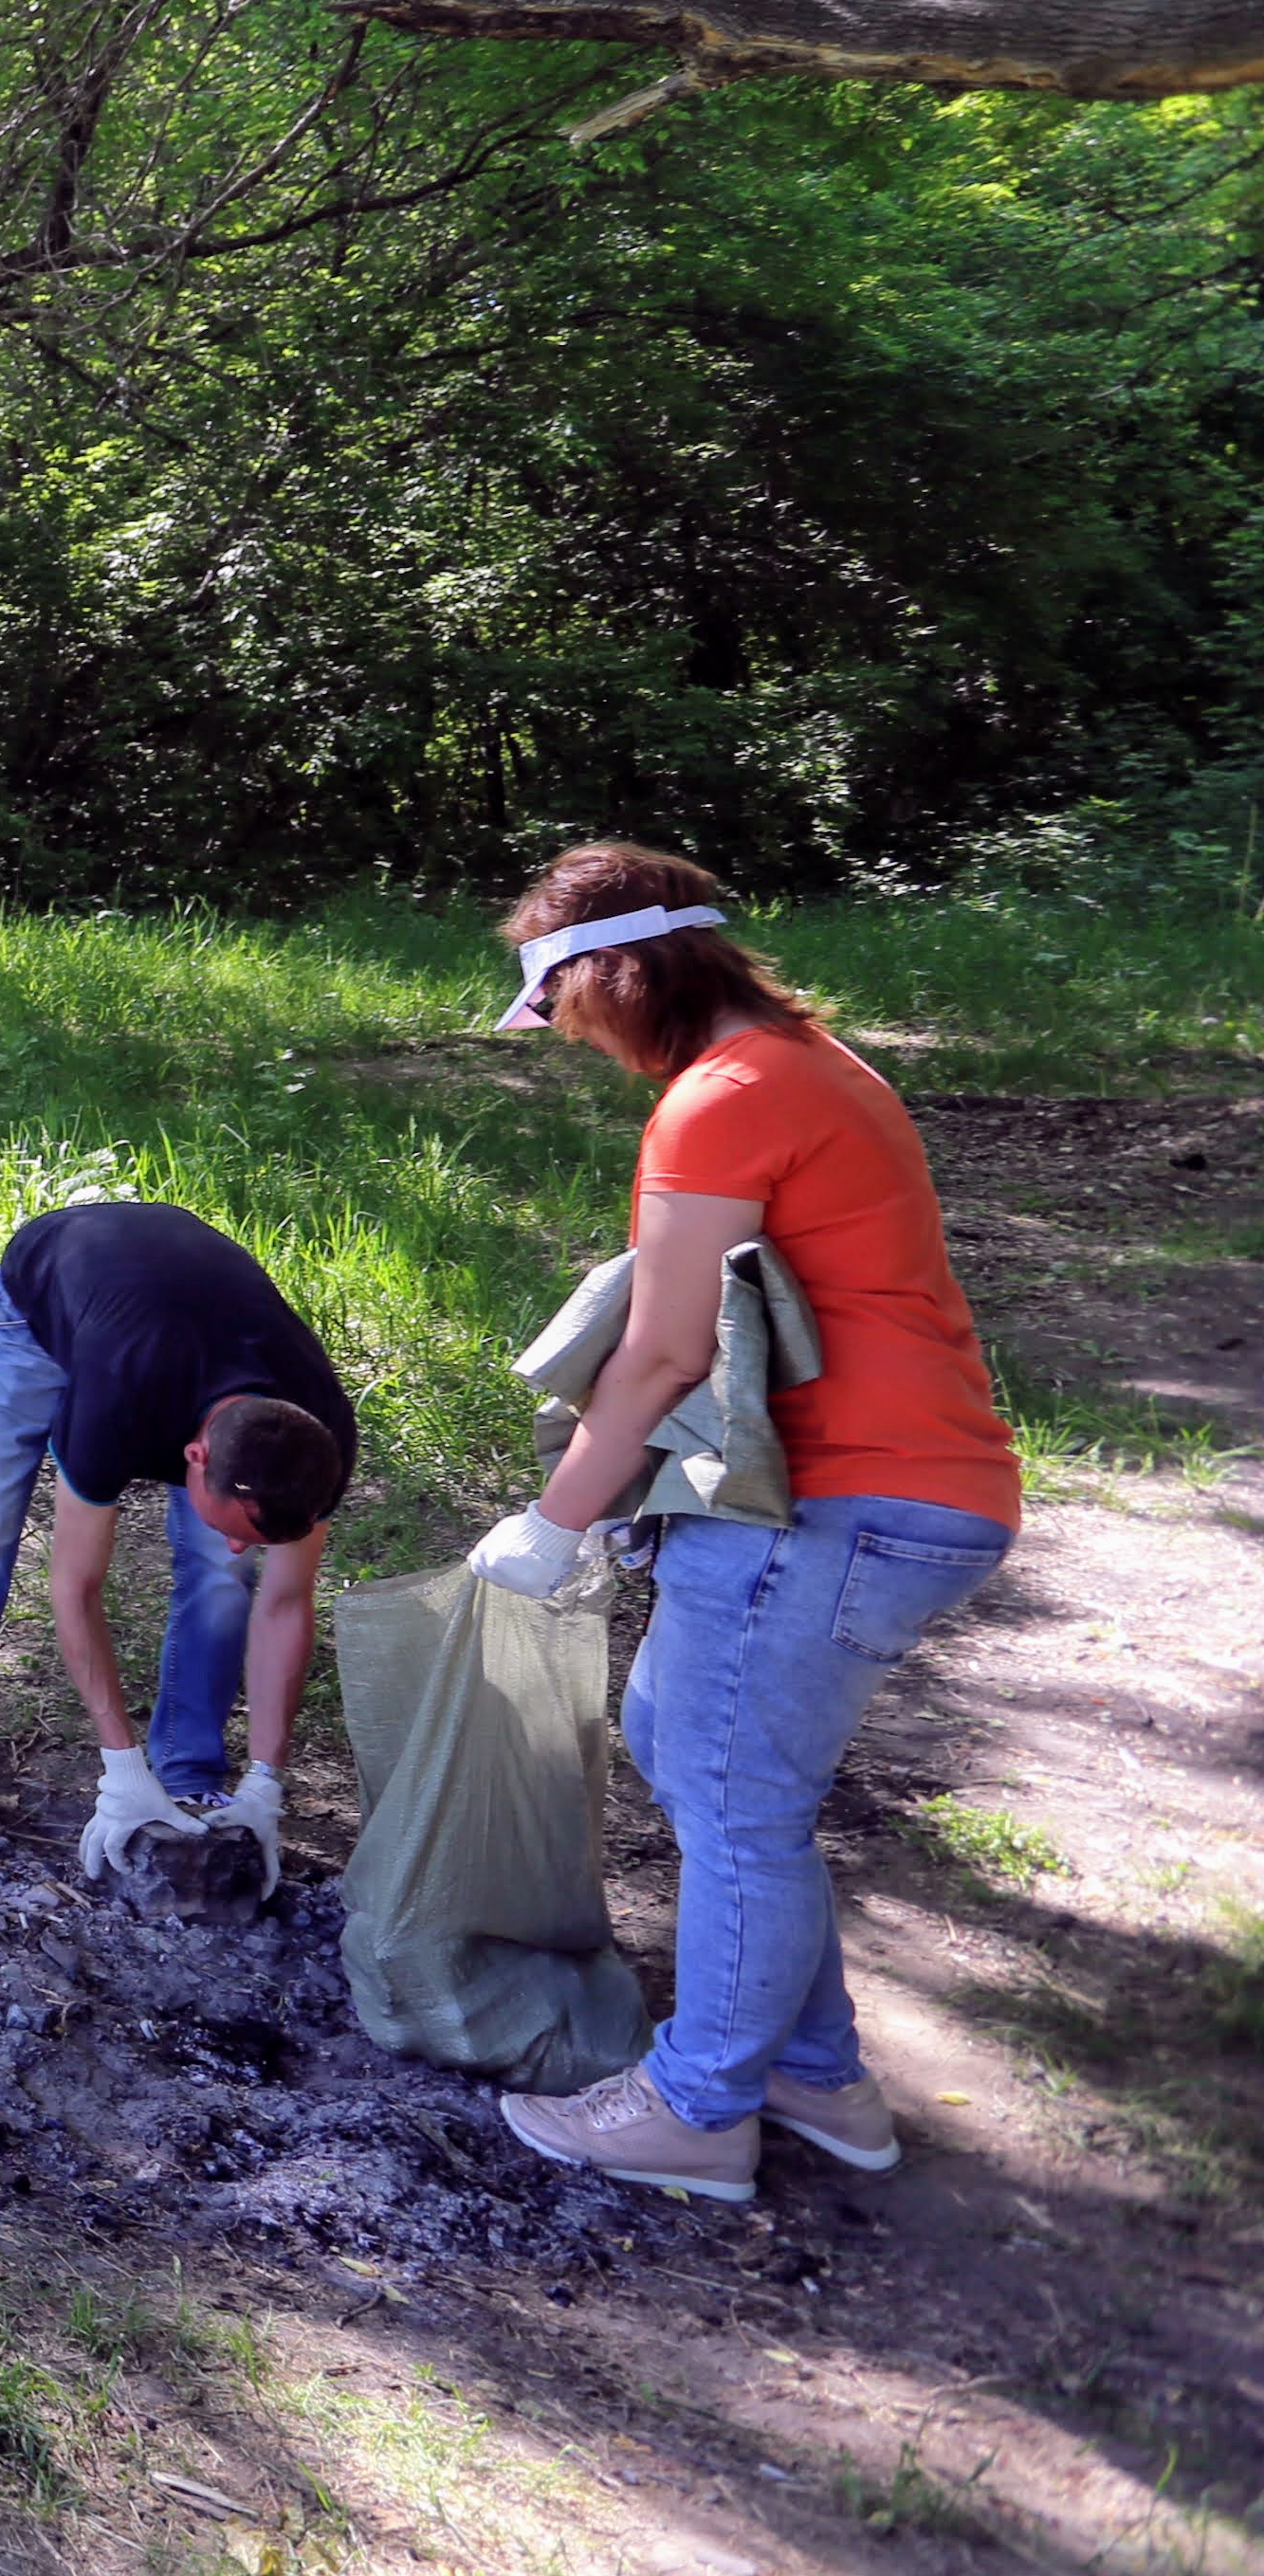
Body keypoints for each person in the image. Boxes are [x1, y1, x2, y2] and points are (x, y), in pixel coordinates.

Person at [482, 845, 1017, 2203]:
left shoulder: (721, 1097)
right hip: (902, 1488)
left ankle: (696, 2109)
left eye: (559, 1001)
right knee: (683, 1743)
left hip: (838, 1498)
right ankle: (812, 2071)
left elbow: (663, 1350)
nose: (567, 1034)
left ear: (616, 968)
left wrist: (555, 1519)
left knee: (733, 1803)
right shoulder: (806, 1066)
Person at [0, 1198, 355, 1891]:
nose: (240, 1547)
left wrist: (268, 1782)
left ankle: (191, 1774)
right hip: (46, 1297)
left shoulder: (318, 1442)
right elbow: (76, 1587)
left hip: (181, 1309)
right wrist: (120, 1768)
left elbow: (285, 1603)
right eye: (237, 1528)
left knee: (221, 1579)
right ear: (193, 1456)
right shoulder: (115, 1402)